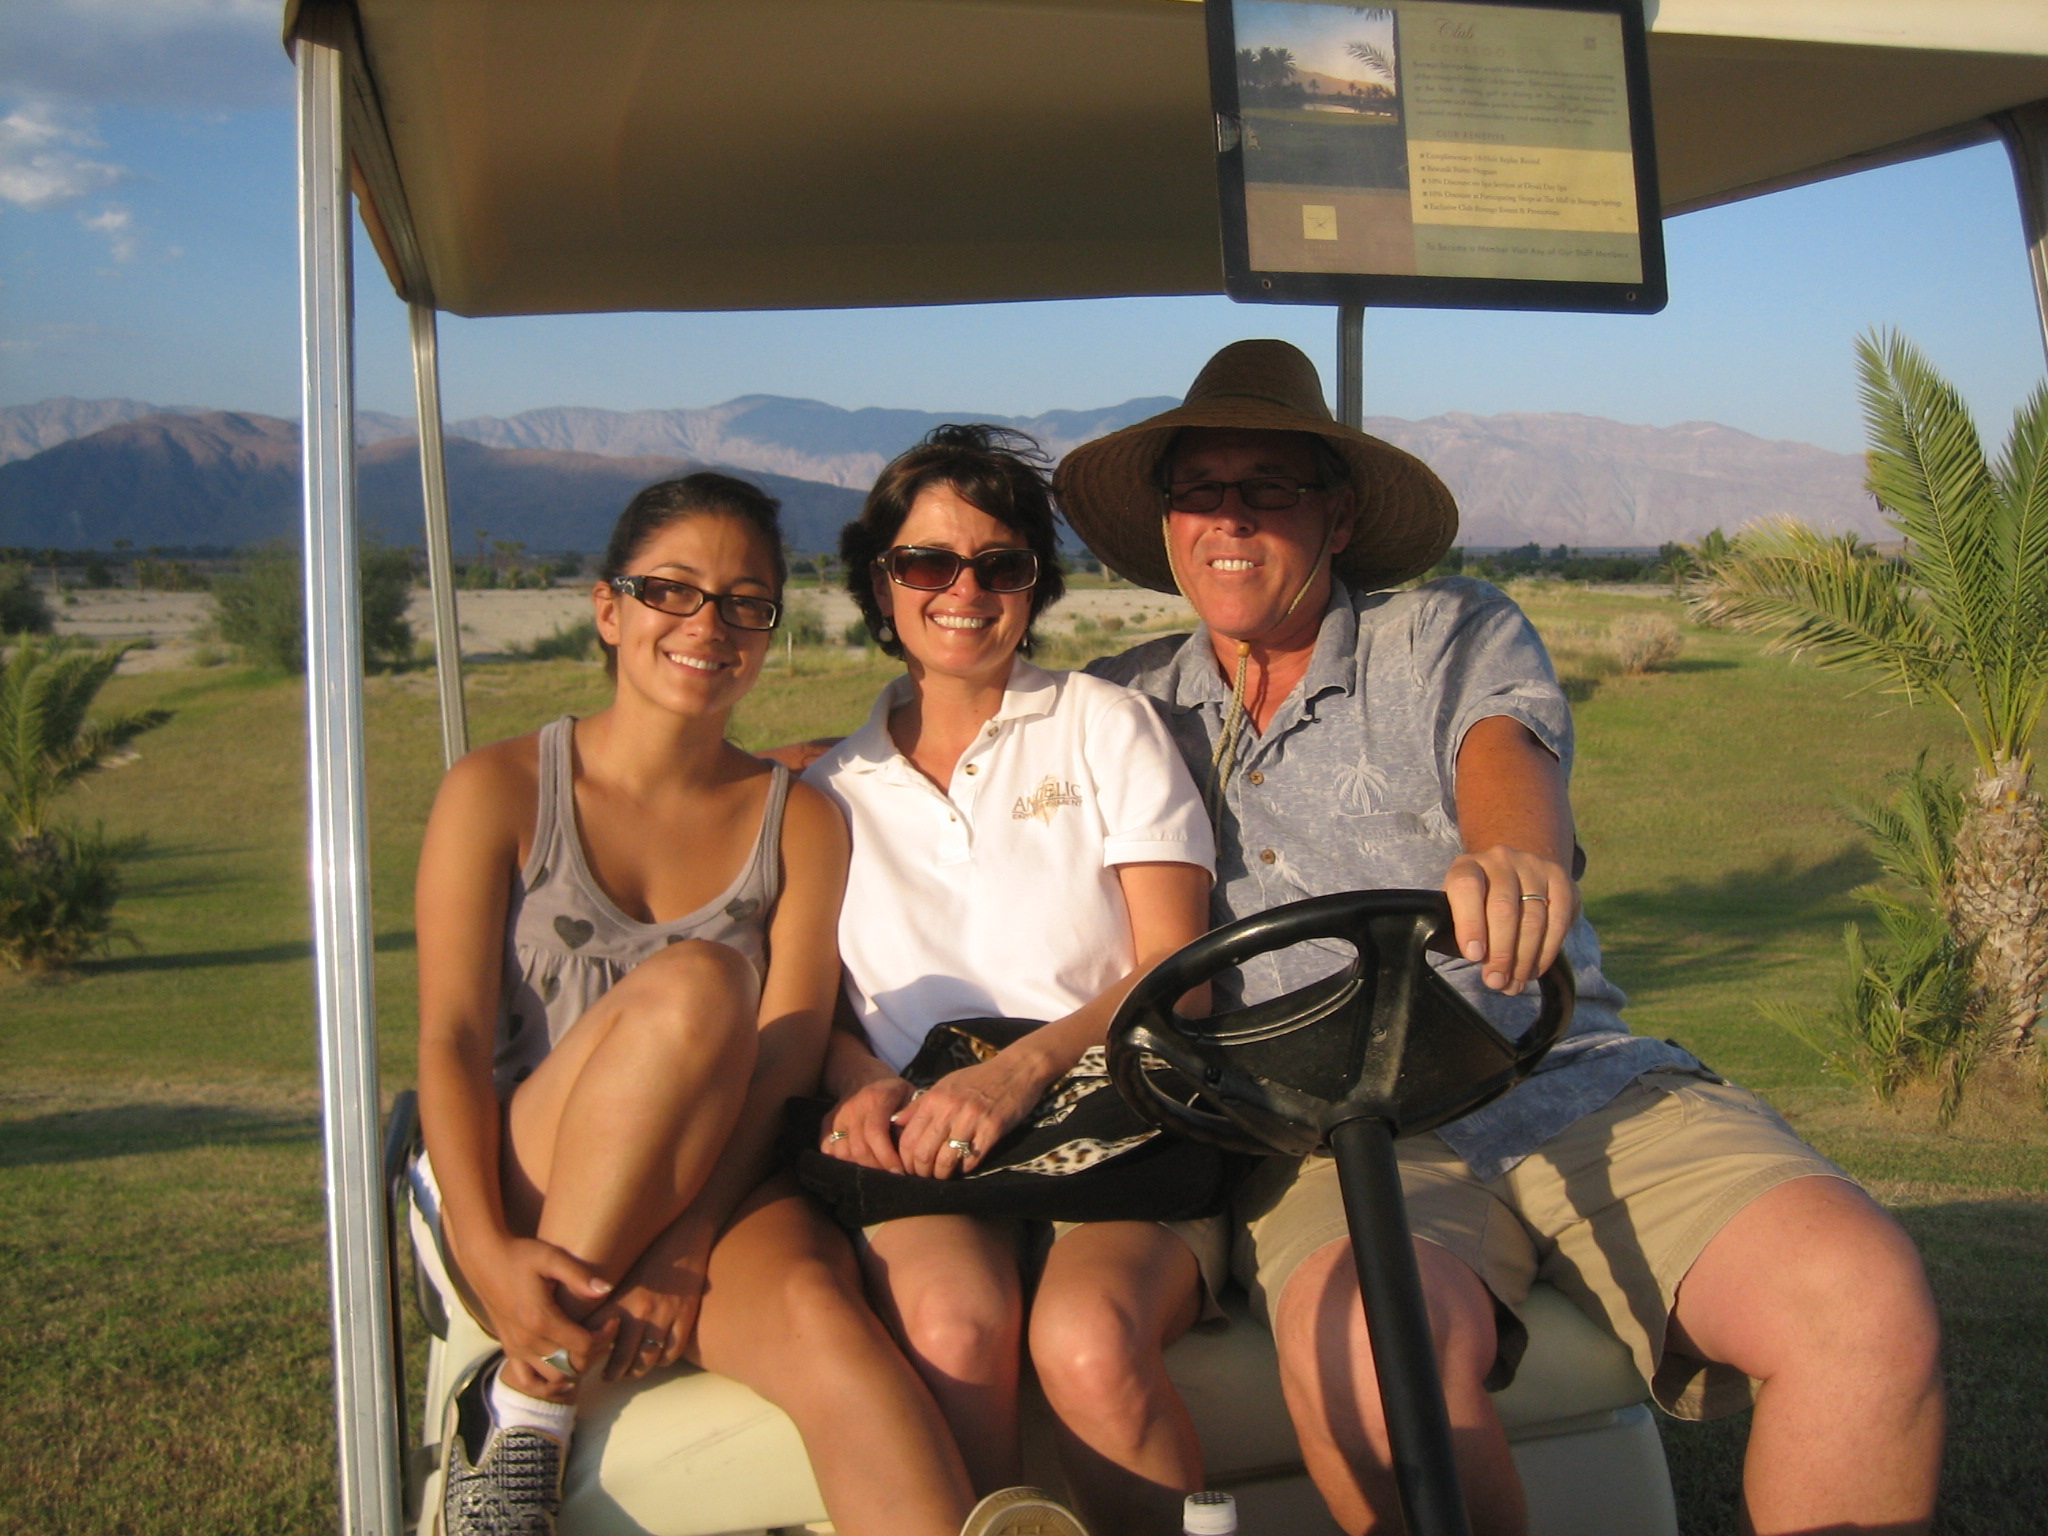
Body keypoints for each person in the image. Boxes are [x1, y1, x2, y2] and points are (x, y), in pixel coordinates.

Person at [1053, 340, 1944, 1536]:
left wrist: (1512, 851)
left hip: (1558, 1072)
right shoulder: (1119, 709)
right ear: (1164, 524)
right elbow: (945, 741)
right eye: (1197, 489)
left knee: (1862, 1303)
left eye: (1267, 486)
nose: (1229, 517)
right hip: (1332, 1135)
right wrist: (789, 773)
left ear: (1337, 512)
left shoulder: (1447, 633)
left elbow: (1504, 758)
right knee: (1382, 1369)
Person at [413, 472, 1034, 1536]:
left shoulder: (796, 821)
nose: (709, 624)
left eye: (745, 602)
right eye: (672, 592)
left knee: (832, 1335)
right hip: (530, 1176)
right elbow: (454, 1039)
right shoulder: (499, 791)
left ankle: (529, 1401)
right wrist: (481, 1249)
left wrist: (688, 1242)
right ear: (609, 610)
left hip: (721, 1182)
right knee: (703, 983)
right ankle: (527, 1406)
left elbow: (788, 1061)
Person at [803, 425, 1221, 1536]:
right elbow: (824, 1012)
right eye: (927, 564)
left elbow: (1178, 977)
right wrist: (862, 1085)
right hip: (923, 1124)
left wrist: (1017, 1074)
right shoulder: (831, 788)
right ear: (878, 582)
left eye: (1000, 564)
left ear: (1033, 585)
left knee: (1085, 1339)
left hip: (1113, 1097)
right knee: (950, 1324)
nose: (964, 590)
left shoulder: (1103, 727)